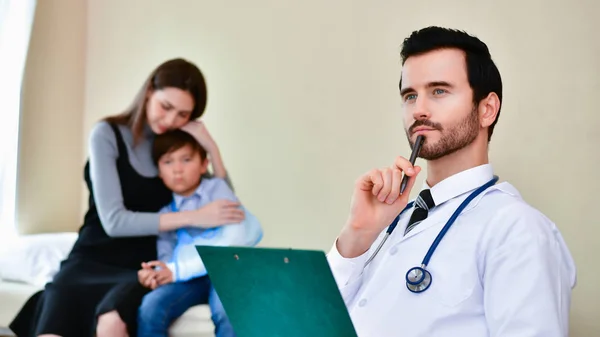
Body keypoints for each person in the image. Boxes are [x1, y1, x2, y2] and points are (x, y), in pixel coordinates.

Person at [326, 26, 577, 337]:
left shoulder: (516, 229)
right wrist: (357, 236)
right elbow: (313, 319)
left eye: (439, 91)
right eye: (410, 95)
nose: (418, 109)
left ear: (487, 109)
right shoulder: (391, 222)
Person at [9, 58, 246, 337]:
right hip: (90, 258)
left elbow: (226, 206)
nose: (171, 120)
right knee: (54, 323)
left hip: (141, 266)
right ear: (148, 93)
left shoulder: (175, 149)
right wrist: (195, 217)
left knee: (111, 323)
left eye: (183, 115)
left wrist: (212, 149)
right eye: (166, 107)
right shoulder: (107, 135)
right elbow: (114, 222)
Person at [133, 129, 262, 337]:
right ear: (158, 170)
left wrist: (177, 270)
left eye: (186, 159)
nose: (177, 169)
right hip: (190, 279)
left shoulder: (218, 190)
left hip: (224, 272)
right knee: (151, 306)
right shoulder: (166, 213)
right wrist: (158, 274)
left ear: (203, 165)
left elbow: (234, 241)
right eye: (168, 162)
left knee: (228, 311)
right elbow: (166, 255)